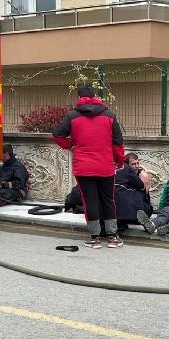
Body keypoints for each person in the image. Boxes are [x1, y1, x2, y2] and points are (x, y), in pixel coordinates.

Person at [53, 84, 125, 249]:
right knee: (108, 199)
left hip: (83, 166)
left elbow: (57, 134)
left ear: (79, 98)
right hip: (105, 165)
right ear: (96, 97)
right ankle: (113, 237)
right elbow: (117, 143)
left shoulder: (72, 116)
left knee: (90, 200)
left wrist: (70, 145)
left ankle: (95, 239)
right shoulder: (109, 115)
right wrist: (119, 161)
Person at [114, 152, 153, 229]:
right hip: (126, 207)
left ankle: (139, 219)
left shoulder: (142, 175)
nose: (137, 166)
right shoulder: (126, 170)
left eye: (138, 163)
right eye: (133, 164)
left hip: (139, 204)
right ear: (127, 164)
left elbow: (145, 194)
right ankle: (137, 220)